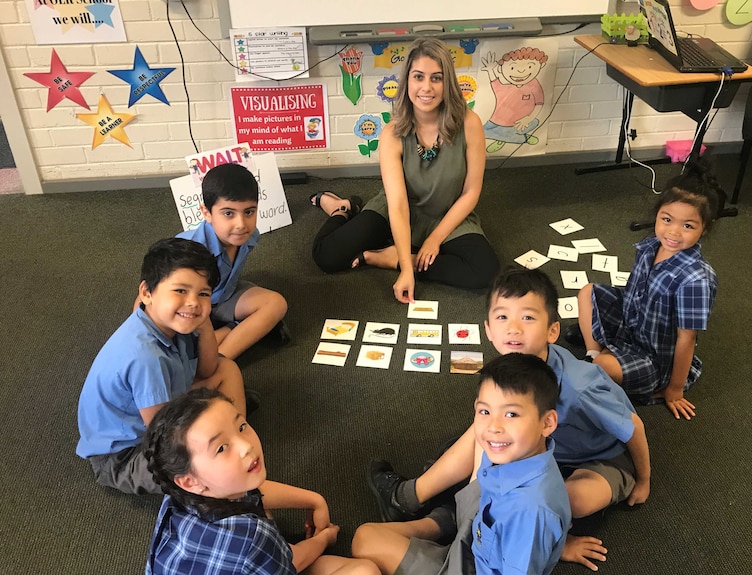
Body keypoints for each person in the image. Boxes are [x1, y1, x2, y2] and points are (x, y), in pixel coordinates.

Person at [367, 266, 651, 571]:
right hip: (541, 448)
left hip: (601, 458)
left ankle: (485, 523)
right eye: (503, 317)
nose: (513, 329)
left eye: (527, 317)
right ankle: (407, 499)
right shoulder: (510, 369)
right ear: (488, 329)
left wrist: (644, 480)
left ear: (552, 331)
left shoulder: (580, 386)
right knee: (486, 431)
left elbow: (633, 426)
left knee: (570, 499)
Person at [310, 37, 499, 303]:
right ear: (407, 81)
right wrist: (408, 271)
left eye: (436, 78)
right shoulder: (392, 133)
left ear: (448, 83)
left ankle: (389, 256)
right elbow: (397, 205)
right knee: (327, 257)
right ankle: (342, 208)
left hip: (447, 214)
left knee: (485, 272)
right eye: (418, 77)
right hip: (397, 213)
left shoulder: (469, 122)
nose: (426, 88)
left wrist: (430, 242)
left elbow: (471, 192)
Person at [352, 353, 571, 575]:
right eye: (485, 411)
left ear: (548, 422)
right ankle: (446, 522)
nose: (494, 426)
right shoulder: (519, 454)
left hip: (469, 566)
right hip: (474, 541)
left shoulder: (530, 511)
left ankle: (443, 521)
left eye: (511, 414)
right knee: (368, 536)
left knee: (365, 539)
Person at [76, 238, 249, 495]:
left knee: (227, 369)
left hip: (165, 405)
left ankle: (234, 440)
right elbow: (165, 435)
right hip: (124, 457)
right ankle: (234, 472)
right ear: (146, 293)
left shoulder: (172, 322)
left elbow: (209, 370)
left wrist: (204, 325)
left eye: (203, 294)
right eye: (180, 291)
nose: (193, 303)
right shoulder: (145, 358)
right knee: (207, 470)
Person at [143, 388, 380, 575]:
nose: (247, 446)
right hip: (259, 554)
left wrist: (315, 500)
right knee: (364, 570)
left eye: (241, 426)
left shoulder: (179, 495)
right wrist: (324, 538)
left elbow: (254, 490)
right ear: (190, 481)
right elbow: (291, 559)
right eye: (222, 448)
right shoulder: (252, 536)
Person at [566, 161, 725, 421]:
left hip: (652, 356)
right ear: (657, 215)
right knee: (587, 292)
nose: (673, 232)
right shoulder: (650, 245)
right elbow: (633, 292)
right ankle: (593, 351)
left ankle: (601, 357)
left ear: (704, 228)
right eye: (667, 219)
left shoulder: (696, 280)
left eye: (688, 226)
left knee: (601, 369)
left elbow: (687, 340)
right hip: (631, 325)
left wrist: (674, 389)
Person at [177, 162, 289, 360]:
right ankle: (229, 332)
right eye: (228, 213)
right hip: (192, 309)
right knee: (179, 346)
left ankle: (220, 360)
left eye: (249, 212)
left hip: (223, 297)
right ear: (206, 213)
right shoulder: (187, 250)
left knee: (276, 304)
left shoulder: (251, 236)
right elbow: (148, 298)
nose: (241, 224)